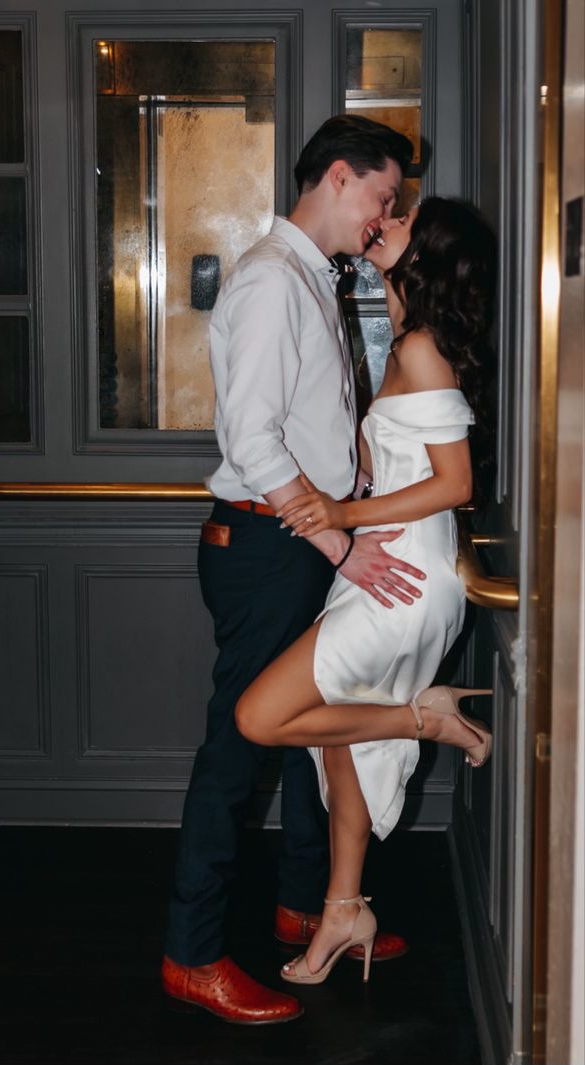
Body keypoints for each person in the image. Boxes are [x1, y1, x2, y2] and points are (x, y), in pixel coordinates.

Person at [161, 115, 423, 1026]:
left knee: (317, 732)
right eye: (384, 196)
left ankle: (304, 903)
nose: (386, 214)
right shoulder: (273, 283)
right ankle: (191, 953)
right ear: (342, 177)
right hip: (269, 547)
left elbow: (324, 424)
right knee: (238, 749)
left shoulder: (318, 274)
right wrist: (343, 544)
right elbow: (255, 445)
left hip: (294, 542)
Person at [235, 196, 496, 987]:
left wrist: (342, 513)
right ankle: (344, 908)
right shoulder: (399, 340)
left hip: (405, 581)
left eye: (407, 218)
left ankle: (425, 716)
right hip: (385, 570)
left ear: (429, 252)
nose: (389, 218)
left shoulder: (422, 350)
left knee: (260, 716)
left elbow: (455, 484)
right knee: (334, 744)